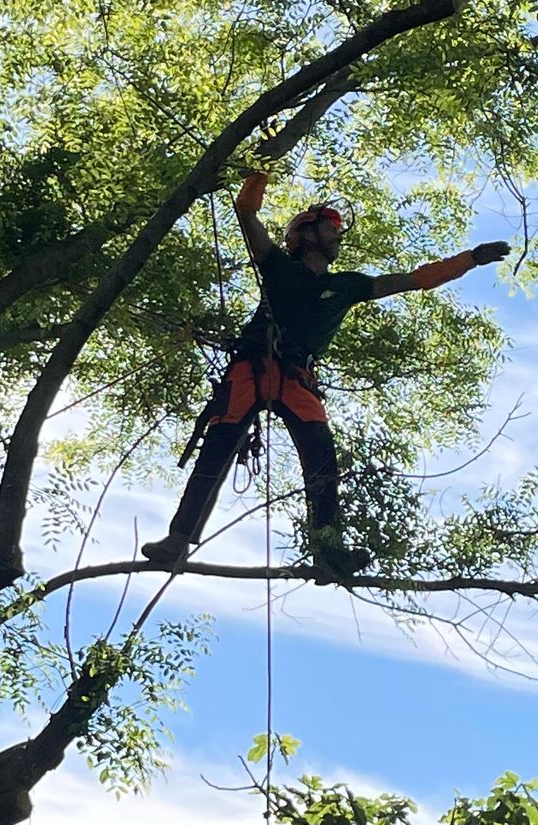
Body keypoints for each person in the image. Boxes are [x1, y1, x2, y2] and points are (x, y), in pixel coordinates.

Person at [143, 166, 511, 584]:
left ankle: (328, 550)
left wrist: (470, 259)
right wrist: (261, 169)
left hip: (298, 377)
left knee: (322, 461)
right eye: (331, 227)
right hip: (253, 366)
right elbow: (246, 212)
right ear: (305, 234)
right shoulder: (278, 266)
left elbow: (413, 280)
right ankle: (178, 539)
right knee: (217, 448)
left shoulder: (348, 286)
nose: (338, 235)